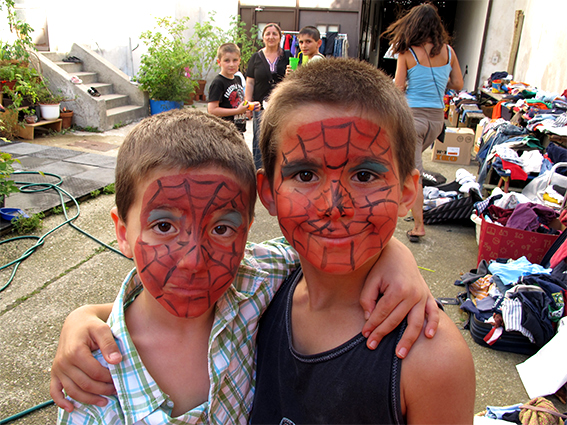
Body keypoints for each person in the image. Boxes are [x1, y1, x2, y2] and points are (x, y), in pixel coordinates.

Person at [51, 109, 441, 420]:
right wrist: (81, 315)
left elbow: (323, 242)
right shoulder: (92, 380)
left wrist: (394, 253)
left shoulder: (251, 282)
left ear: (247, 231)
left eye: (222, 228)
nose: (193, 260)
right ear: (122, 232)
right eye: (164, 225)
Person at [250, 58, 475, 423]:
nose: (333, 206)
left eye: (365, 175)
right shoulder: (254, 299)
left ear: (406, 192)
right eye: (305, 174)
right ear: (269, 192)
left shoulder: (431, 361)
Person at [382, 3, 464, 243]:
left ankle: (419, 226)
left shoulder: (407, 53)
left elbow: (398, 88)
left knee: (412, 170)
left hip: (412, 118)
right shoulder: (449, 52)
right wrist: (439, 84)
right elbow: (458, 84)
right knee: (411, 164)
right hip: (437, 120)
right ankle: (408, 206)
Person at [245, 23, 290, 169]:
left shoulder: (288, 56)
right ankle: (260, 172)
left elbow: (295, 81)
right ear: (263, 38)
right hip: (260, 106)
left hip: (282, 106)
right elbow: (250, 82)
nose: (271, 37)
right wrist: (248, 104)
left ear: (280, 37)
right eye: (268, 34)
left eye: (274, 34)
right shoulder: (256, 57)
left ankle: (279, 171)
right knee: (260, 140)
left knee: (281, 138)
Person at [207, 42, 259, 134]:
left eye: (235, 60)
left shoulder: (237, 79)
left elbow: (238, 102)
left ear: (239, 61)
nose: (231, 64)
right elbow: (212, 110)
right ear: (219, 62)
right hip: (224, 133)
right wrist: (237, 111)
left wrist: (249, 106)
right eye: (227, 60)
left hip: (238, 131)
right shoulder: (218, 82)